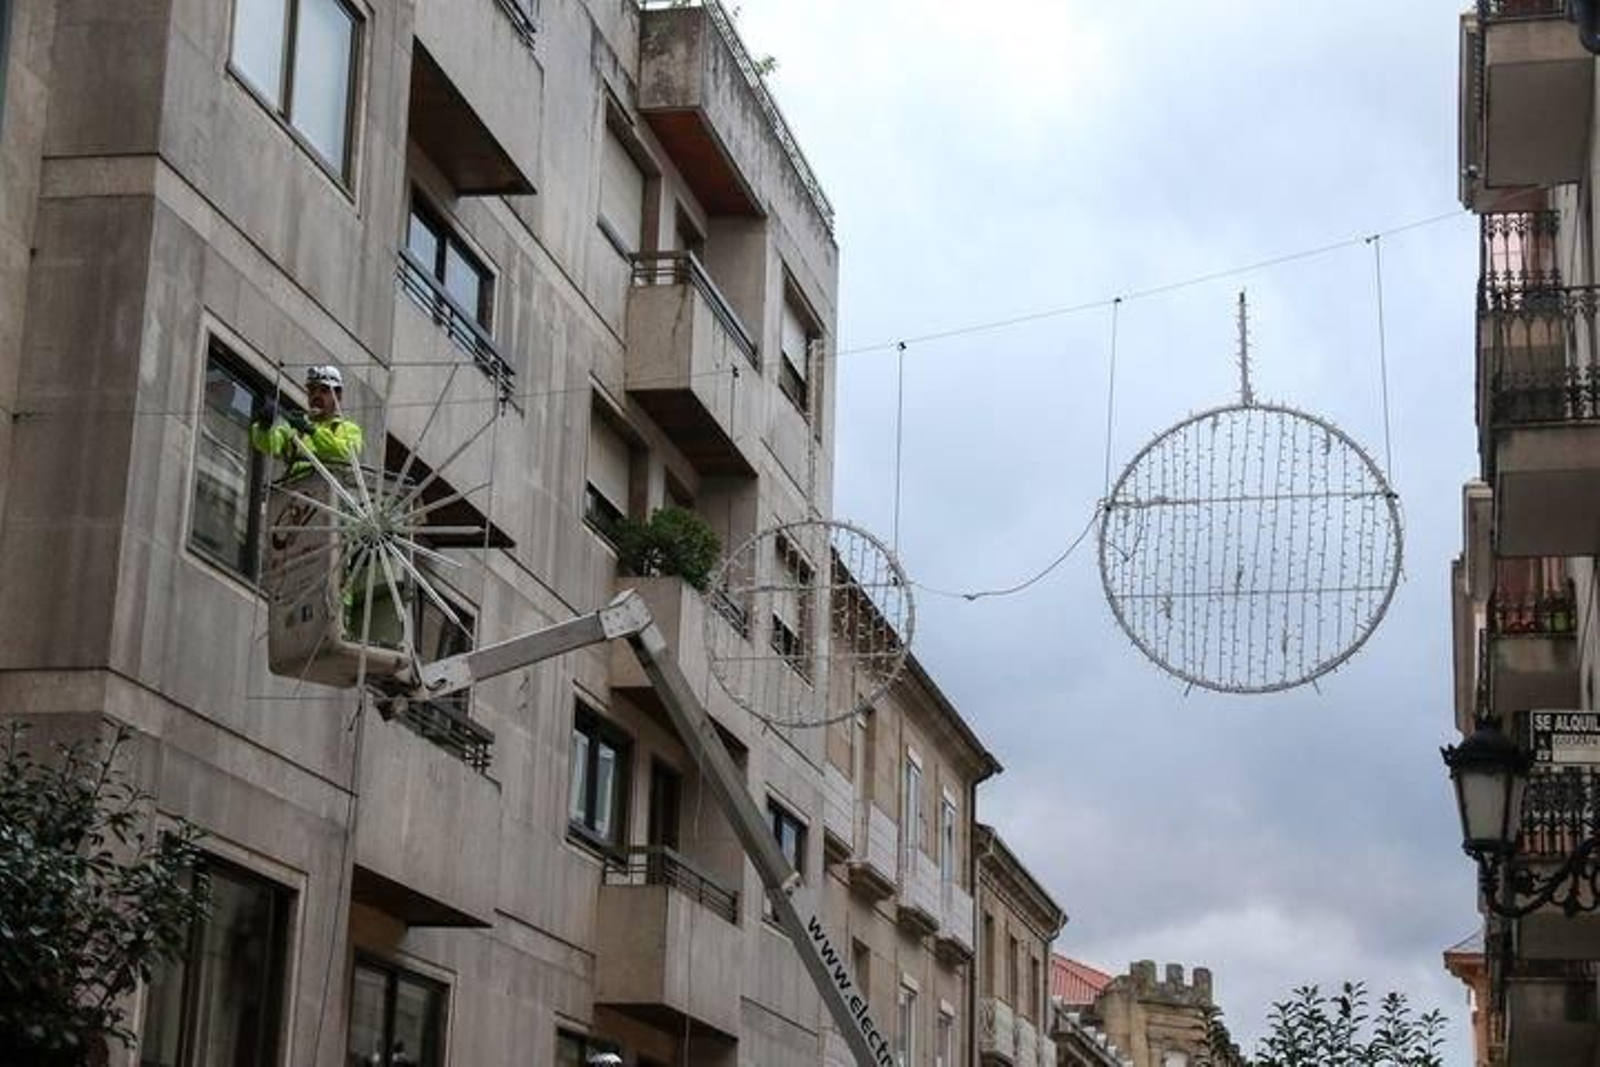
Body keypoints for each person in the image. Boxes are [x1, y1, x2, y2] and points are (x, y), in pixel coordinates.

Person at [250, 364, 363, 472]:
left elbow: (347, 452)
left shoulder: (346, 428)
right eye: (312, 391)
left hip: (326, 488)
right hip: (294, 488)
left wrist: (312, 431)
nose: (316, 396)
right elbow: (272, 446)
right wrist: (264, 427)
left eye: (324, 390)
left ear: (337, 396)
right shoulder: (295, 428)